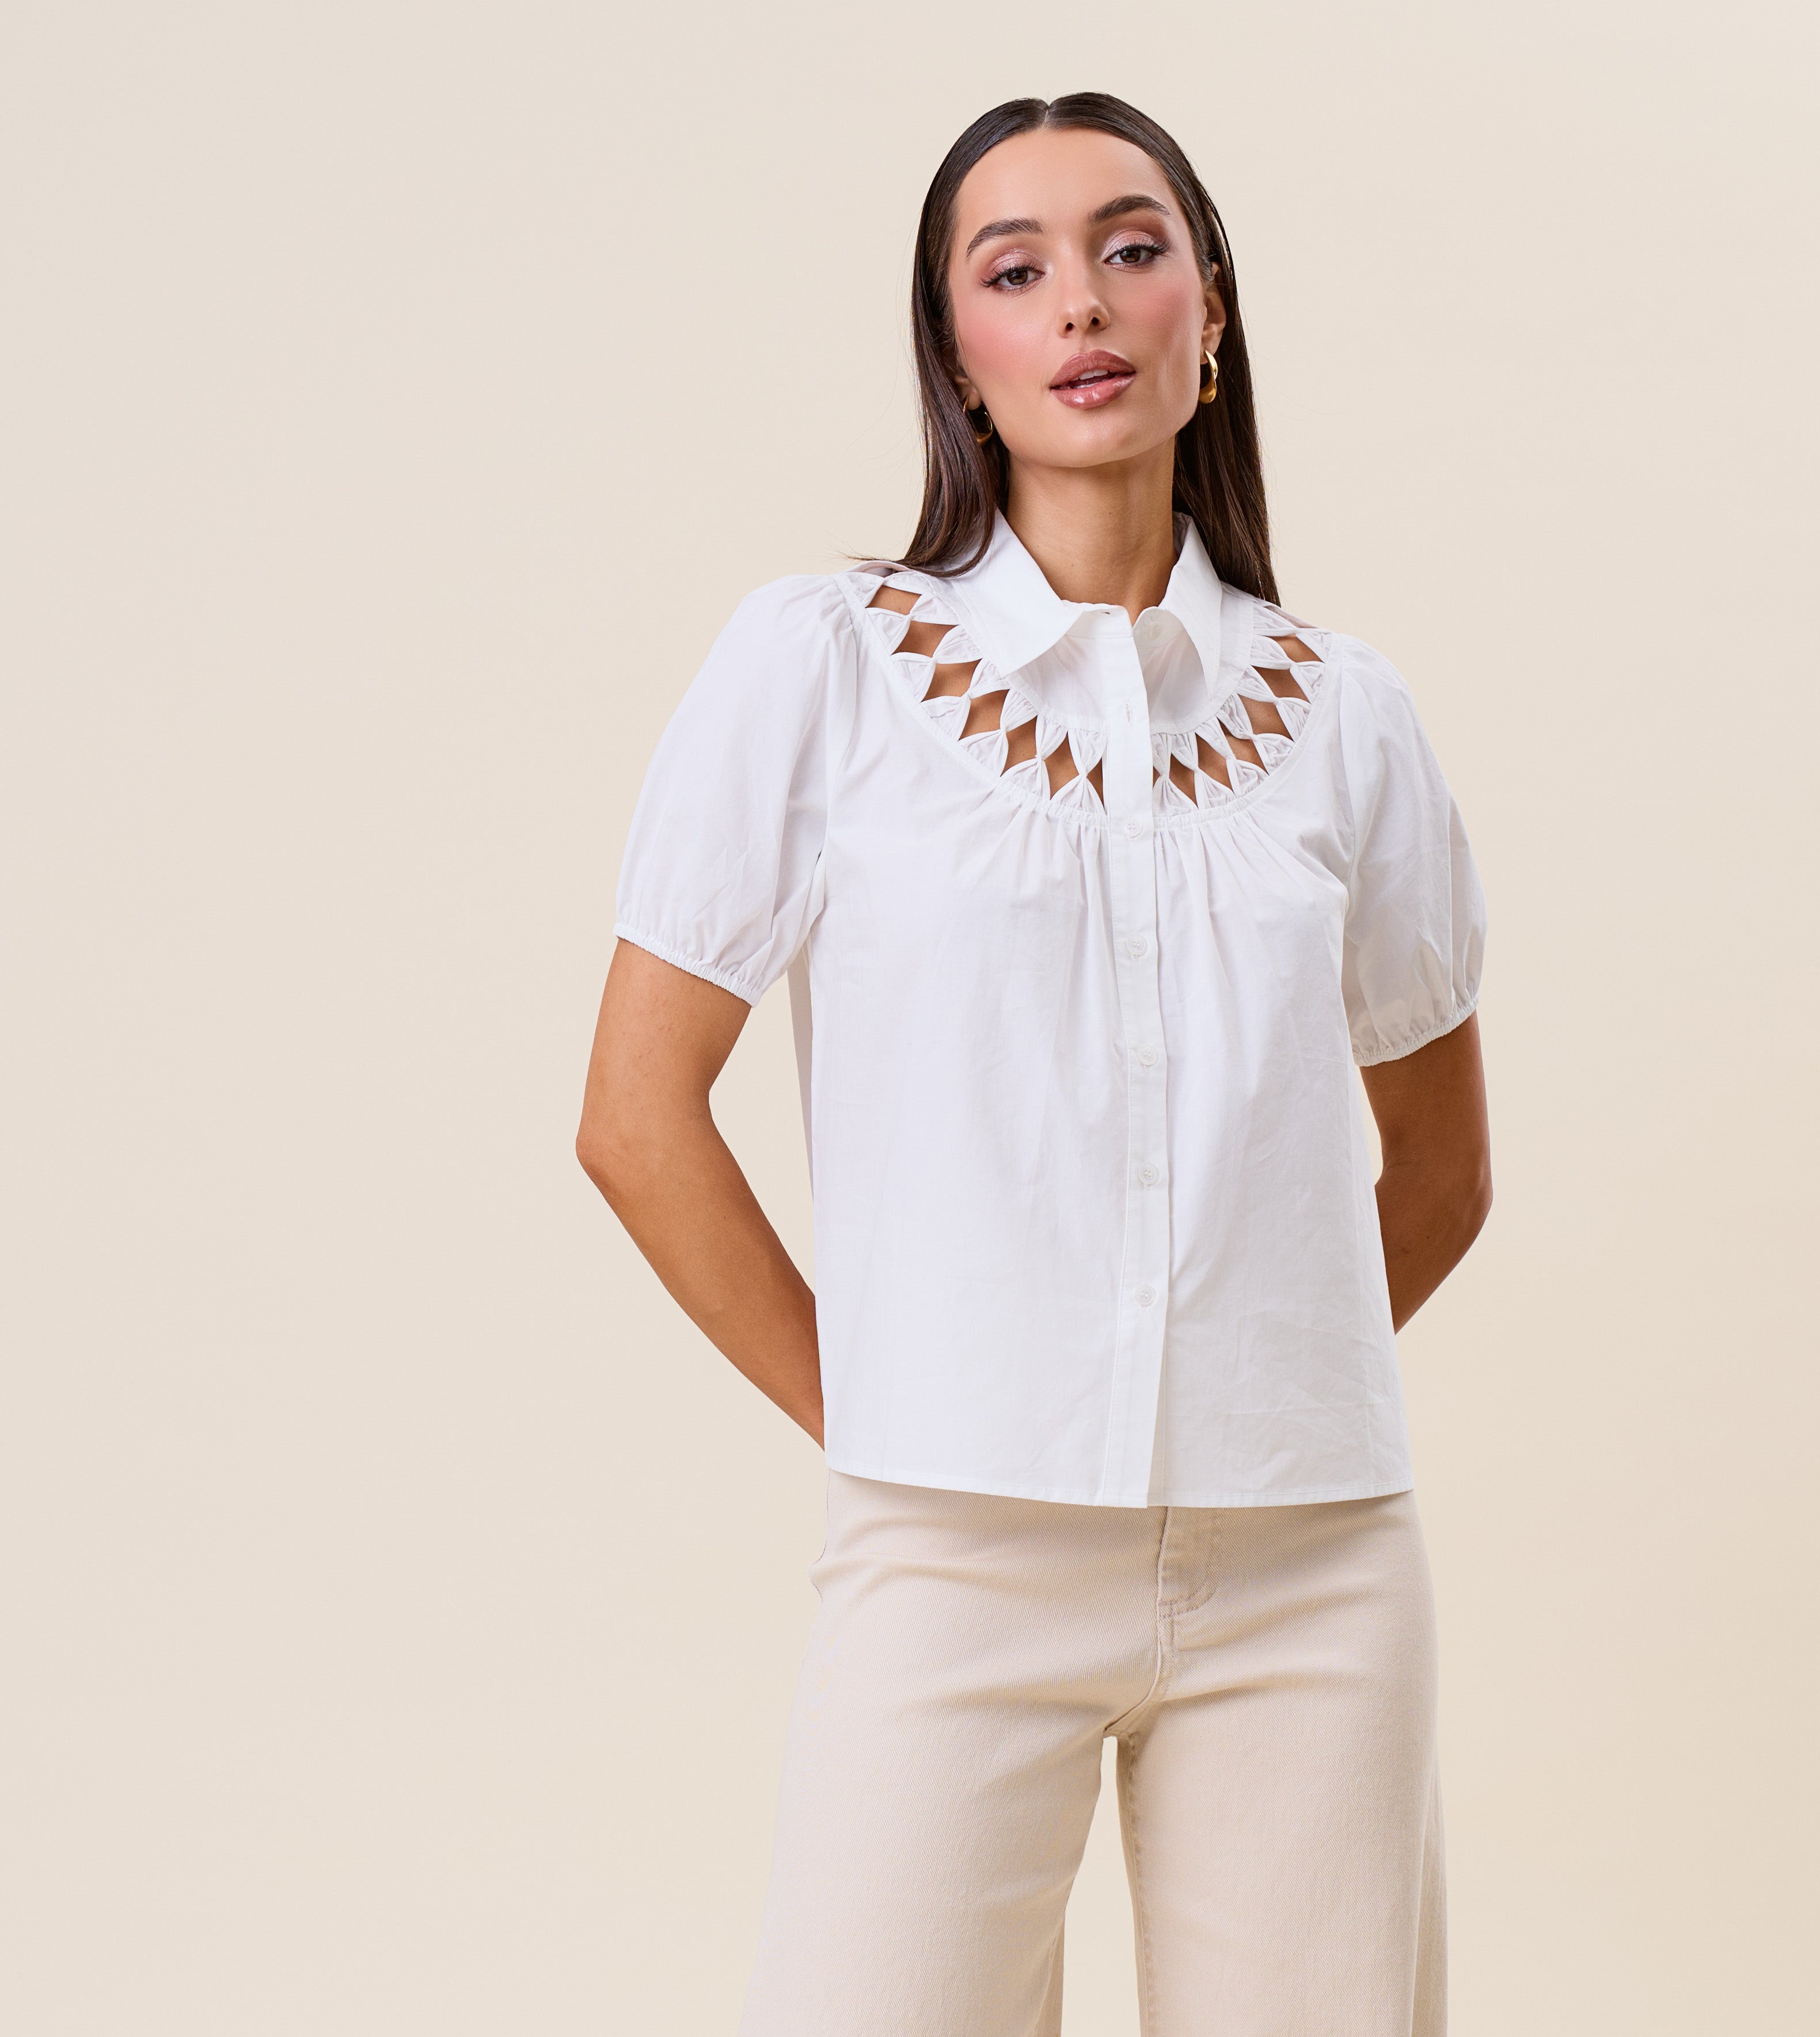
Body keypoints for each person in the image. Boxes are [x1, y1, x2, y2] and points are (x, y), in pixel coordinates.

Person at [577, 90, 1491, 2037]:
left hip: (1311, 1559)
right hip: (950, 1542)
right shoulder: (826, 664)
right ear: (958, 358)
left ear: (1207, 314)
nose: (1079, 300)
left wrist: (1237, 1372)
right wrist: (893, 1407)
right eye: (1014, 269)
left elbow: (1441, 1164)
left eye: (1129, 248)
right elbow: (634, 1117)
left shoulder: (1345, 716)